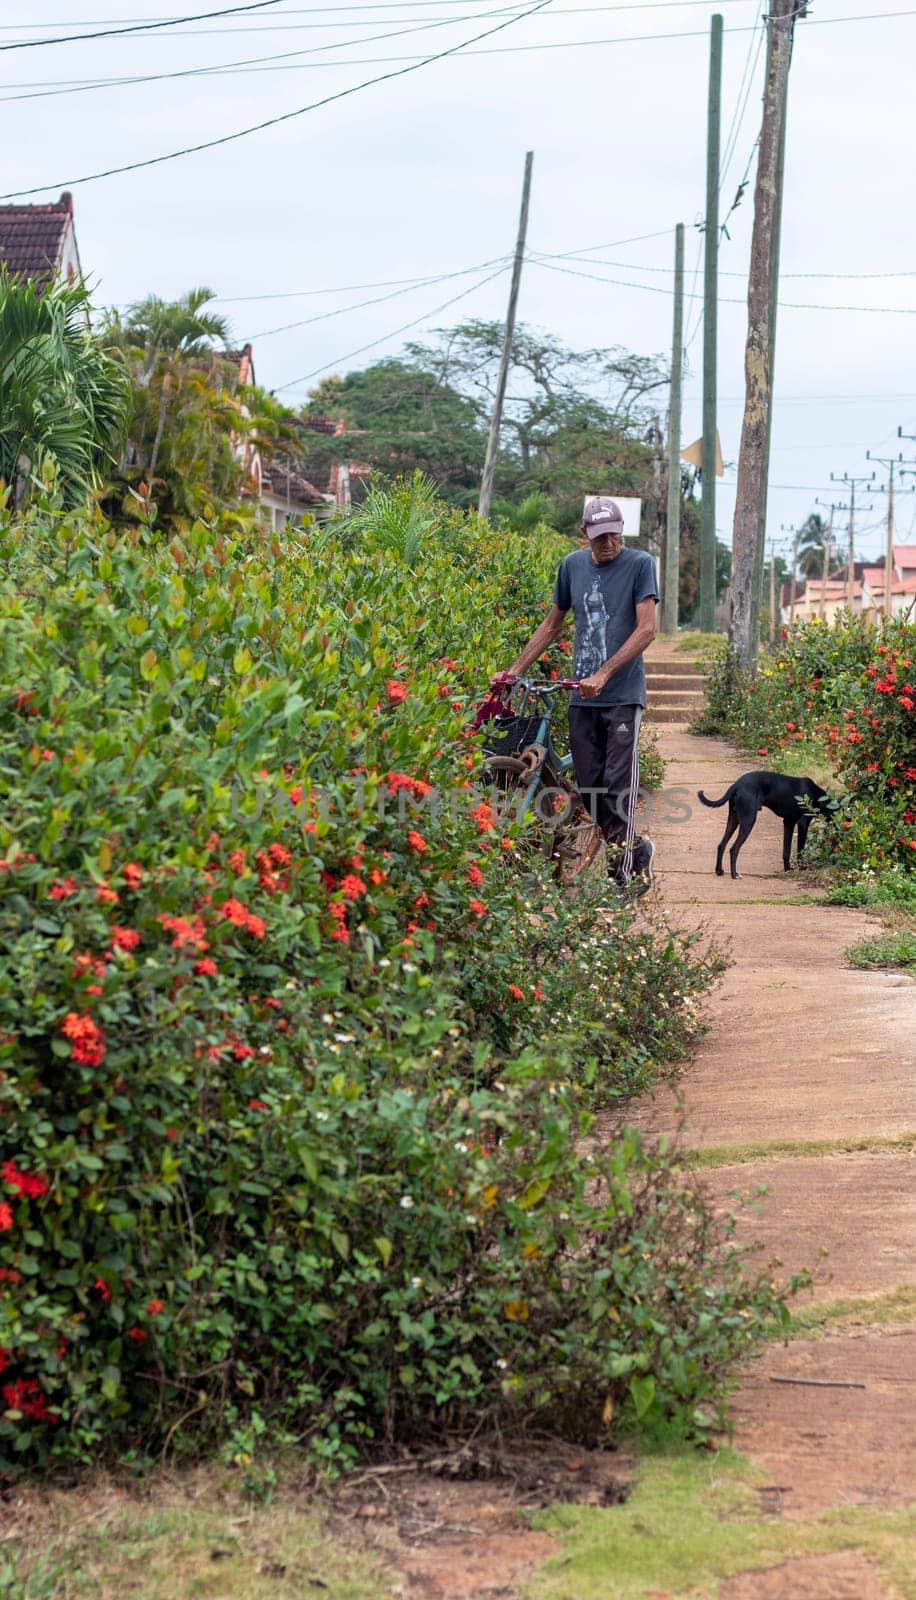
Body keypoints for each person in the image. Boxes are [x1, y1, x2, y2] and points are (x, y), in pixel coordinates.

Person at [491, 495, 659, 893]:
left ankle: (623, 872)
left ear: (622, 532)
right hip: (582, 696)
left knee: (618, 781)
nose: (608, 544)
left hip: (621, 694)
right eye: (600, 537)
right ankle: (634, 848)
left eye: (614, 536)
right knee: (588, 785)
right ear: (585, 534)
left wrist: (604, 673)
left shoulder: (639, 564)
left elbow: (647, 629)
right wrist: (513, 673)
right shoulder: (571, 566)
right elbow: (552, 626)